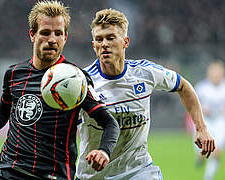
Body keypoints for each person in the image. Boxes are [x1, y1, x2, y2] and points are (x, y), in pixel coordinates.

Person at [0, 1, 120, 180]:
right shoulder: (14, 74)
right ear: (32, 35)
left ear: (65, 37)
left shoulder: (76, 79)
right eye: (45, 33)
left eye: (58, 33)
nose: (52, 39)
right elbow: (4, 109)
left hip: (52, 175)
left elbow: (110, 123)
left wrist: (104, 151)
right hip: (8, 171)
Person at [76, 8, 215, 180]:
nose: (104, 43)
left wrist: (201, 128)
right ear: (93, 45)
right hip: (94, 175)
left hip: (139, 171)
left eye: (110, 37)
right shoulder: (81, 82)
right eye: (99, 39)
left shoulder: (145, 72)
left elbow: (183, 86)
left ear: (125, 42)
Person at [194, 61, 225, 180]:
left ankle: (208, 177)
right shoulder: (202, 87)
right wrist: (204, 110)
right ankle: (200, 157)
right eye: (214, 73)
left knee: (216, 150)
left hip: (223, 123)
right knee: (202, 147)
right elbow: (195, 106)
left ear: (223, 73)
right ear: (209, 74)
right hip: (207, 122)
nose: (216, 76)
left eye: (219, 73)